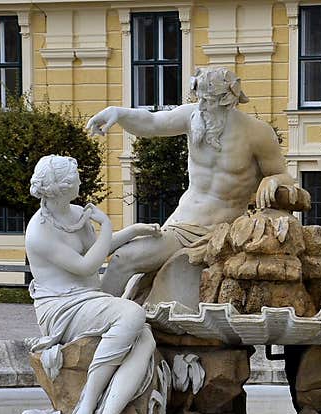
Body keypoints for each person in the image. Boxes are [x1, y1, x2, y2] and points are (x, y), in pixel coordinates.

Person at [85, 66, 303, 304]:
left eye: (207, 101)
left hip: (218, 231)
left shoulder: (257, 133)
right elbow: (152, 123)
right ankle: (93, 321)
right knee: (124, 262)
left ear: (227, 99)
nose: (201, 106)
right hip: (180, 225)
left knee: (131, 265)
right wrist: (118, 113)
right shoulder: (193, 117)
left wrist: (273, 180)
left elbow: (283, 174)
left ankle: (100, 323)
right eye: (198, 99)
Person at [25, 155, 161, 414]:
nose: (80, 181)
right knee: (133, 314)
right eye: (74, 179)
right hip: (63, 307)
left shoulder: (75, 213)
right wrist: (108, 225)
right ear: (60, 188)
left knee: (145, 336)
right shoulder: (39, 232)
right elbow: (87, 265)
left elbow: (97, 249)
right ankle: (87, 405)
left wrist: (133, 231)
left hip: (88, 298)